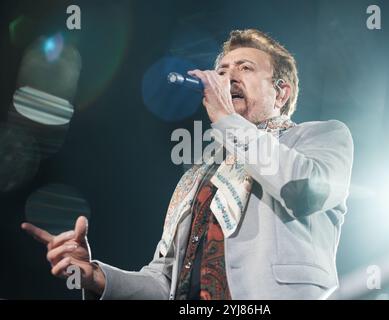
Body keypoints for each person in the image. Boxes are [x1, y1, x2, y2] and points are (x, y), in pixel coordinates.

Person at [22, 29, 354, 300]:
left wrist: (225, 118)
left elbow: (302, 188)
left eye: (245, 68)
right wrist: (97, 277)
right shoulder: (200, 175)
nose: (227, 77)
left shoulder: (322, 137)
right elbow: (166, 281)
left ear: (282, 92)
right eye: (222, 71)